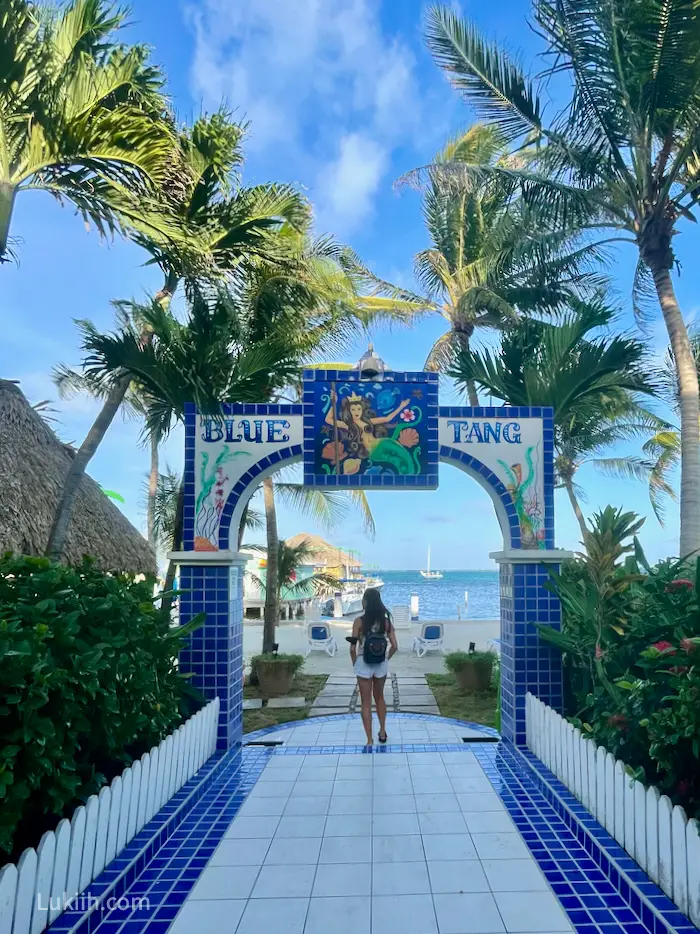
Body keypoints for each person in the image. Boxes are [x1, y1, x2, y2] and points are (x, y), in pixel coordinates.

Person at [349, 588, 398, 746]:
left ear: (366, 602)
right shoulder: (386, 622)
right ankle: (382, 731)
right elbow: (395, 646)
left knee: (365, 702)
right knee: (380, 698)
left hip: (364, 663)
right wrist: (385, 659)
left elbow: (352, 648)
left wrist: (355, 663)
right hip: (380, 664)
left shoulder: (359, 621)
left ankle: (369, 740)